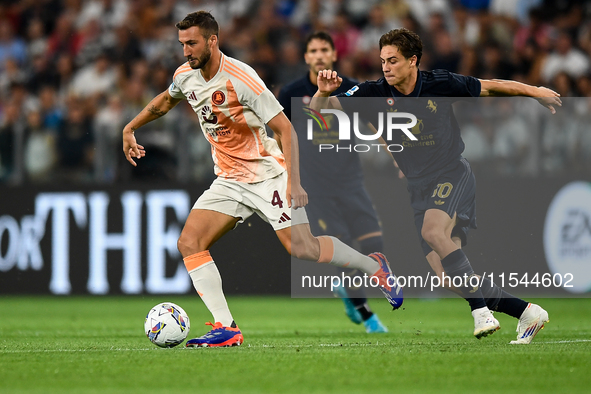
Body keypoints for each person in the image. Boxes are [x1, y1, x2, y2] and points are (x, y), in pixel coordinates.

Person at [122, 12, 403, 348]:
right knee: (189, 242)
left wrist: (294, 182)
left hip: (267, 174)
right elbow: (165, 100)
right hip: (228, 178)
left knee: (303, 248)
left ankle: (374, 267)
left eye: (192, 43)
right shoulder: (186, 76)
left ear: (213, 40)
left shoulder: (243, 78)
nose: (186, 51)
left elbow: (285, 129)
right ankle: (226, 327)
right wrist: (131, 127)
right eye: (182, 44)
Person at [312, 28, 561, 344]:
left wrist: (535, 91)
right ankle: (527, 312)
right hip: (418, 187)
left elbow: (491, 87)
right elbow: (319, 113)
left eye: (393, 60)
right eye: (382, 61)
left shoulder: (439, 83)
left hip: (451, 174)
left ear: (412, 61)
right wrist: (321, 92)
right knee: (447, 277)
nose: (386, 67)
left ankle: (481, 312)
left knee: (433, 232)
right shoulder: (372, 93)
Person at [278, 32, 387, 334]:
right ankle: (367, 314)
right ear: (306, 57)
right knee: (345, 251)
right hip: (315, 188)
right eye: (313, 50)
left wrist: (397, 157)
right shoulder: (290, 91)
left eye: (325, 49)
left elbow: (374, 125)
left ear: (334, 55)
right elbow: (277, 133)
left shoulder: (352, 88)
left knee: (375, 245)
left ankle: (349, 294)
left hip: (351, 181)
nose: (319, 55)